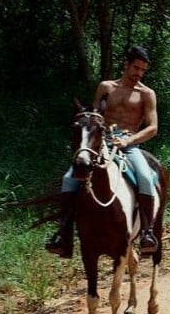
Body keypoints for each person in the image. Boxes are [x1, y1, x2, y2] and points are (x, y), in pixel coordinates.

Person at [46, 45, 160, 258]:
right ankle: (63, 236)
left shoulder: (147, 94)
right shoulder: (106, 87)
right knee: (69, 179)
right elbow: (94, 117)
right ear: (126, 64)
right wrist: (98, 139)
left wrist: (128, 140)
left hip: (129, 145)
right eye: (136, 68)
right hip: (101, 145)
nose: (139, 74)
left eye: (143, 70)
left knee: (145, 176)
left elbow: (153, 128)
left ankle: (147, 233)